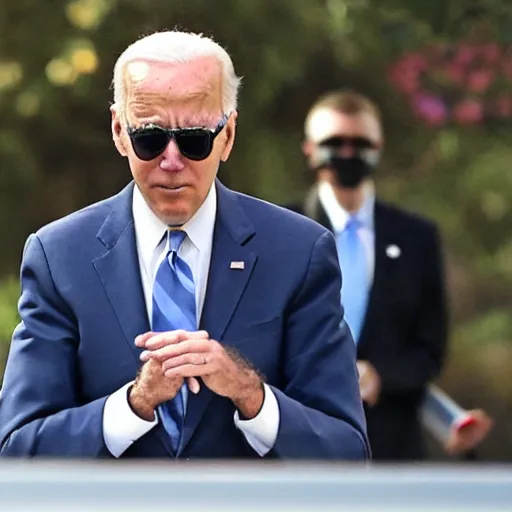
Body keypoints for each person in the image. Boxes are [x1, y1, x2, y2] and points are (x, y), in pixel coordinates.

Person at [0, 32, 369, 460]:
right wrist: (135, 405)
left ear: (227, 135)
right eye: (150, 138)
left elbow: (347, 451)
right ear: (120, 131)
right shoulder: (59, 256)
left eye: (195, 140)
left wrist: (250, 394)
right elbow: (17, 450)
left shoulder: (299, 252)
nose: (171, 161)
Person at [289, 89, 448, 461]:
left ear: (378, 147)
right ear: (310, 149)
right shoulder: (280, 230)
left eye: (360, 143)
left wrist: (382, 377)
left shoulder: (417, 237)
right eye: (334, 142)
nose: (347, 153)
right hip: (302, 441)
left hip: (392, 447)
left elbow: (430, 348)